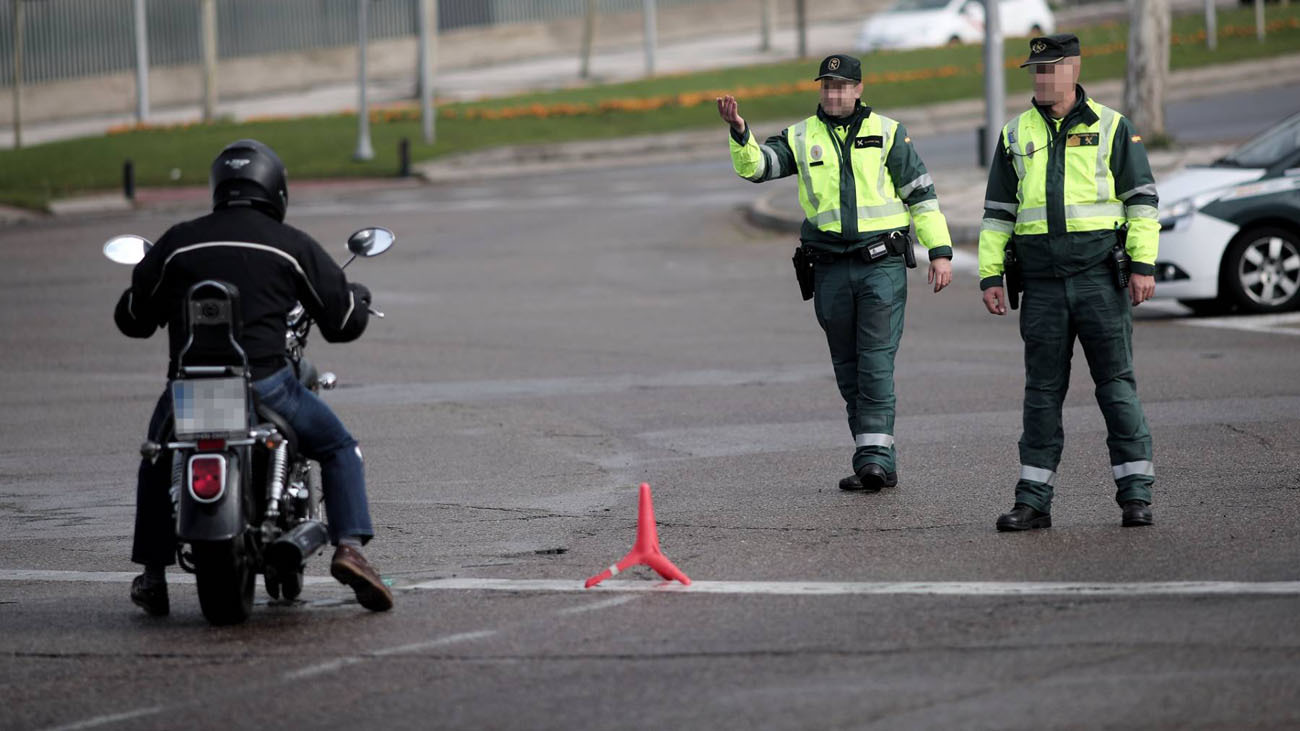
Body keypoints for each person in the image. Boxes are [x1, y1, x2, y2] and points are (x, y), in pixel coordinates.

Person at [114, 139, 394, 614]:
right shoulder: (291, 245)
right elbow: (342, 322)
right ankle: (350, 548)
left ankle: (153, 574)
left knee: (159, 457)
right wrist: (359, 299)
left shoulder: (179, 240)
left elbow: (133, 319)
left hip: (192, 389)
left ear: (218, 188)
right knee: (338, 446)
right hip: (267, 385)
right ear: (275, 190)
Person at [718, 54, 954, 492]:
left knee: (876, 363)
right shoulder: (801, 135)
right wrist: (739, 132)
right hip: (828, 267)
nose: (834, 93)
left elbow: (921, 194)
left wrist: (939, 251)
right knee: (848, 369)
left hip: (880, 264)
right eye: (827, 86)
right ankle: (878, 458)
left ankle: (873, 458)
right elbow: (758, 166)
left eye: (842, 86)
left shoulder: (887, 133)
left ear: (859, 89)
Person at [976, 34, 1160, 530]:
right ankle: (1033, 501)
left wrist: (1143, 265)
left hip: (1100, 280)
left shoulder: (1112, 127)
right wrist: (990, 274)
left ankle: (1135, 495)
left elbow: (1142, 203)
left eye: (1051, 69)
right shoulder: (1015, 134)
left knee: (1116, 389)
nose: (1041, 79)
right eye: (1035, 71)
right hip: (1041, 287)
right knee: (1041, 394)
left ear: (1074, 69)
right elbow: (997, 215)